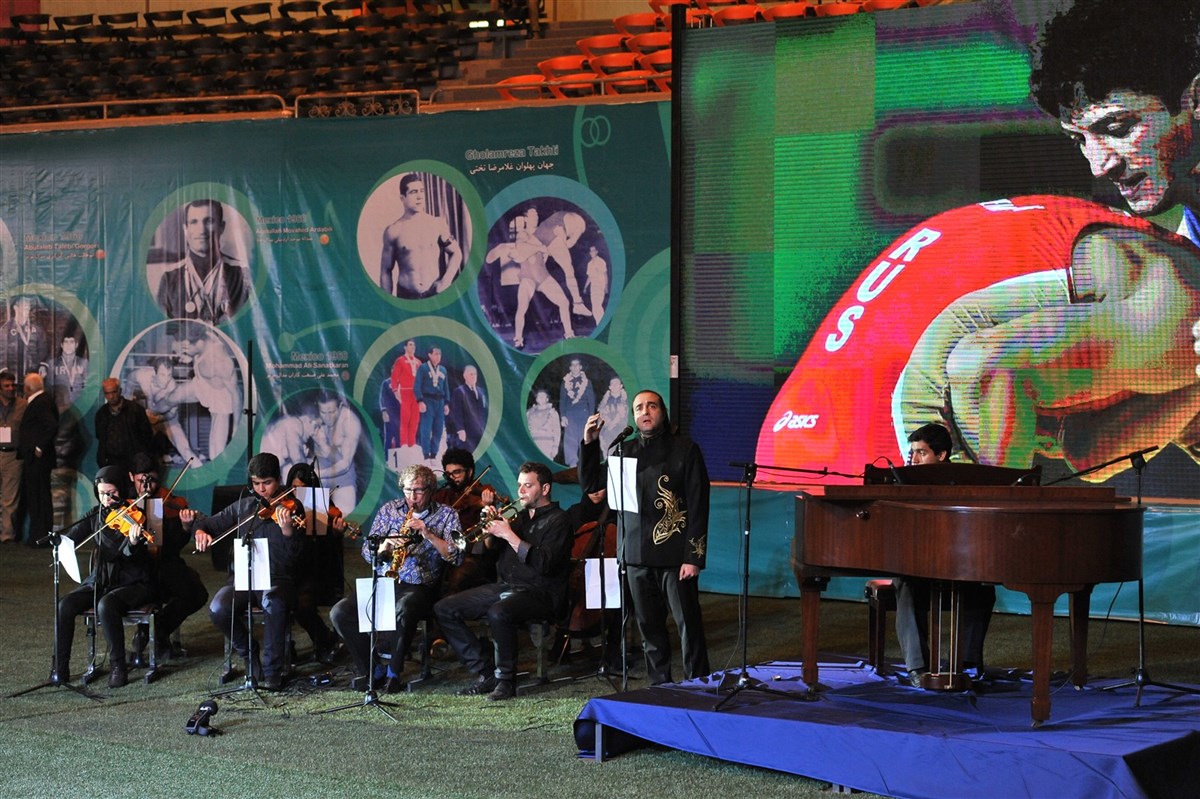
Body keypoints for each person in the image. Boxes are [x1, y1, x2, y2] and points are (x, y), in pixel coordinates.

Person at [757, 195, 1200, 484]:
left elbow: (987, 365)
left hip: (811, 428)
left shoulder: (1161, 306)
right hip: (844, 429)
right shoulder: (1166, 311)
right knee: (1086, 453)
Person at [579, 389, 711, 685]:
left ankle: (698, 686)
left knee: (688, 626)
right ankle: (659, 687)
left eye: (652, 406)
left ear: (663, 412)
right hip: (636, 558)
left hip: (676, 559)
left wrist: (693, 557)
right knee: (649, 629)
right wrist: (590, 443)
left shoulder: (685, 449)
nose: (645, 412)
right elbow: (592, 486)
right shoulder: (623, 451)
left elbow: (698, 505)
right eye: (639, 408)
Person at [433, 461, 573, 701]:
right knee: (444, 607)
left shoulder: (559, 520)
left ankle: (505, 680)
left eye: (528, 486)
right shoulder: (519, 517)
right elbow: (489, 549)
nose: (520, 491)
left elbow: (544, 564)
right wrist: (490, 530)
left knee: (499, 612)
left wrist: (508, 534)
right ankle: (486, 671)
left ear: (545, 489)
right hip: (508, 587)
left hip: (542, 593)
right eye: (519, 485)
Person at [330, 464, 461, 692]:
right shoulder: (389, 510)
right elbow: (367, 551)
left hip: (420, 586)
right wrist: (385, 545)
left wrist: (428, 534)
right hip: (385, 580)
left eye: (418, 490)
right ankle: (373, 669)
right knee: (339, 613)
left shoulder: (447, 514)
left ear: (430, 490)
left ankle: (394, 672)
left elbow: (456, 556)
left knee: (404, 607)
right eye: (408, 490)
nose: (412, 497)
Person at [183, 453, 303, 690]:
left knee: (273, 603)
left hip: (277, 578)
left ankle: (273, 670)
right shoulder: (244, 507)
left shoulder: (292, 507)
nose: (261, 490)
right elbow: (208, 523)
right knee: (218, 608)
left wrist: (288, 531)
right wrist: (200, 531)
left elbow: (296, 557)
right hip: (243, 578)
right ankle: (249, 653)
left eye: (267, 483)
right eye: (256, 483)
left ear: (278, 480)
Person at [891, 423, 995, 686]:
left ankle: (967, 664)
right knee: (904, 582)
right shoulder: (902, 484)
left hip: (958, 566)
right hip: (918, 568)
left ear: (941, 455)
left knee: (984, 589)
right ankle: (918, 667)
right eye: (913, 453)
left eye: (922, 453)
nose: (914, 460)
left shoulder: (967, 485)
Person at [52, 466, 157, 688]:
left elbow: (130, 555)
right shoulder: (96, 514)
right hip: (102, 579)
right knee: (65, 605)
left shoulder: (137, 515)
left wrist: (133, 542)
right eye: (101, 493)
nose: (107, 499)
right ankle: (60, 668)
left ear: (122, 489)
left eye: (112, 493)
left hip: (133, 581)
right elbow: (71, 537)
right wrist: (60, 541)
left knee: (106, 605)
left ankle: (118, 666)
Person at [127, 453, 208, 664]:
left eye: (153, 480)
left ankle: (157, 631)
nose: (148, 487)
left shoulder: (166, 503)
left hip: (165, 563)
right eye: (141, 480)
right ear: (131, 477)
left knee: (197, 592)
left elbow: (172, 546)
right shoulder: (125, 504)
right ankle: (154, 635)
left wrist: (185, 527)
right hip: (134, 570)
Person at [285, 462, 343, 666]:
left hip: (312, 571)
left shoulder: (321, 506)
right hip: (287, 570)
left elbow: (325, 551)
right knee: (279, 600)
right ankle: (284, 649)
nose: (298, 493)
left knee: (302, 605)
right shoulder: (283, 506)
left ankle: (324, 639)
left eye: (304, 489)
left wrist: (335, 533)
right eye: (294, 488)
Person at [155, 199, 250, 324]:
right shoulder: (169, 278)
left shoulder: (241, 274)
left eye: (209, 221)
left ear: (221, 227)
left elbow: (246, 325)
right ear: (185, 229)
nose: (201, 230)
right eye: (194, 222)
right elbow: (162, 328)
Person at [379, 174, 463, 299]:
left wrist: (445, 281)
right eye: (413, 192)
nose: (419, 196)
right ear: (402, 198)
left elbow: (456, 253)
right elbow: (385, 271)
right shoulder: (393, 231)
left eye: (421, 191)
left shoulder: (437, 224)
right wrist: (387, 303)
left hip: (434, 294)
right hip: (406, 295)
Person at [433, 447, 498, 594]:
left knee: (458, 578)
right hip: (443, 550)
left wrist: (486, 506)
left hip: (470, 554)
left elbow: (489, 537)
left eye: (456, 472)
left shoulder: (482, 492)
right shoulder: (442, 496)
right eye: (448, 474)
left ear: (469, 472)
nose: (452, 478)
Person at [18, 372, 57, 547]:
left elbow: (51, 425)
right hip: (36, 460)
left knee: (39, 498)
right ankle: (39, 535)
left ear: (27, 388)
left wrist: (39, 447)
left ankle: (40, 537)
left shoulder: (41, 402)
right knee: (37, 497)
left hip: (38, 461)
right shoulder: (43, 400)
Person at [310, 391, 363, 512]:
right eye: (323, 412)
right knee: (312, 522)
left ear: (340, 406)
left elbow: (345, 464)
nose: (327, 417)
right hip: (319, 480)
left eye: (331, 412)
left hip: (343, 479)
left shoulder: (350, 422)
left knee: (344, 521)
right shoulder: (313, 418)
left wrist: (317, 473)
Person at [95, 377, 156, 476]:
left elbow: (147, 435)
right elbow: (100, 437)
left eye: (114, 392)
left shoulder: (136, 410)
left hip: (135, 461)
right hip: (111, 462)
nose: (111, 396)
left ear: (120, 391)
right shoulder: (101, 414)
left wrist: (141, 457)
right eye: (107, 393)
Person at [0, 370, 26, 543]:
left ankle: (7, 536)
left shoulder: (23, 405)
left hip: (13, 455)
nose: (10, 388)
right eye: (6, 386)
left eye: (12, 385)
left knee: (10, 499)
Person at [414, 345, 449, 462]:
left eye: (440, 354)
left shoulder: (443, 370)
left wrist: (447, 403)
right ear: (429, 355)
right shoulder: (423, 368)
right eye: (436, 354)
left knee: (438, 430)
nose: (438, 356)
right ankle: (426, 454)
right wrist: (420, 401)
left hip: (440, 402)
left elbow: (446, 388)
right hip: (427, 401)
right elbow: (417, 386)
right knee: (426, 428)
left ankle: (434, 454)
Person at [1, 296, 48, 378]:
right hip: (12, 376)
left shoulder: (36, 330)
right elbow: (1, 354)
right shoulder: (6, 330)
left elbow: (43, 351)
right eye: (24, 305)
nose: (27, 308)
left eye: (28, 306)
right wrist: (4, 372)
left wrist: (43, 366)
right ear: (16, 308)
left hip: (32, 377)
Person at [559, 358, 594, 468]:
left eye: (577, 365)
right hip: (570, 414)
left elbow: (591, 400)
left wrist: (591, 416)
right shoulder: (565, 382)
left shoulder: (587, 382)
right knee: (570, 439)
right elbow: (562, 400)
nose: (575, 367)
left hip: (584, 414)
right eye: (572, 365)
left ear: (580, 367)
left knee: (585, 438)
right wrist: (563, 416)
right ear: (570, 368)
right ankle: (572, 463)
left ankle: (586, 462)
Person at [389, 338, 423, 450]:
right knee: (405, 418)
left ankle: (412, 443)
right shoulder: (400, 360)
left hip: (417, 393)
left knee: (415, 419)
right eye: (410, 345)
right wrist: (395, 391)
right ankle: (404, 443)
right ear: (405, 347)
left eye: (414, 345)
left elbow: (422, 379)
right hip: (405, 392)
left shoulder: (418, 362)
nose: (413, 347)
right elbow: (394, 377)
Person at [43, 332, 88, 410]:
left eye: (71, 342)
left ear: (76, 345)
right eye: (66, 342)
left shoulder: (84, 363)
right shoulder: (52, 363)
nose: (68, 345)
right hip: (60, 406)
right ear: (61, 345)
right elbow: (49, 387)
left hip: (80, 406)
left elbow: (88, 386)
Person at [448, 364, 487, 453]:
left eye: (475, 374)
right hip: (467, 432)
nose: (473, 376)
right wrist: (460, 429)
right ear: (465, 376)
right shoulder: (459, 391)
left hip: (481, 431)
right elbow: (456, 412)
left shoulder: (482, 392)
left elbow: (484, 411)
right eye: (471, 374)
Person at [527, 389, 561, 462]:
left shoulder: (553, 413)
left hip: (547, 444)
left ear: (547, 399)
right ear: (536, 398)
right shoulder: (529, 413)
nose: (541, 398)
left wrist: (555, 447)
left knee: (546, 466)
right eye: (539, 396)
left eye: (543, 396)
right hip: (534, 444)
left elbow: (557, 431)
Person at [596, 377, 628, 453]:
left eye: (616, 383)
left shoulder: (627, 401)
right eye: (612, 384)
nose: (614, 385)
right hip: (607, 435)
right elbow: (600, 418)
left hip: (622, 435)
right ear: (609, 387)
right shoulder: (604, 401)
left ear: (621, 386)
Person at [585, 245, 608, 324]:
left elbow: (605, 274)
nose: (592, 252)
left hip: (600, 286)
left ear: (596, 252)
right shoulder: (589, 264)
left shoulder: (601, 262)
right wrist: (585, 287)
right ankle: (599, 324)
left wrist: (606, 286)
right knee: (594, 308)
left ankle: (602, 324)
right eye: (590, 251)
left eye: (593, 251)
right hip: (593, 288)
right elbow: (589, 277)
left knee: (597, 306)